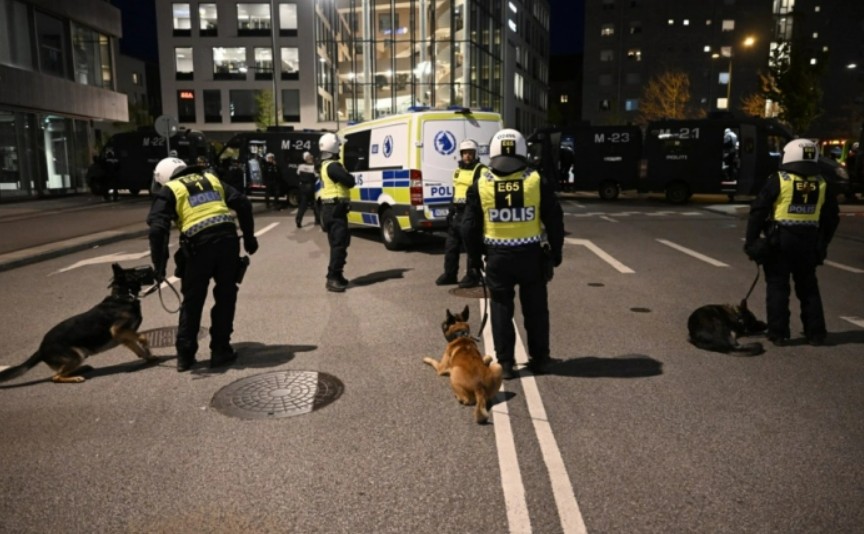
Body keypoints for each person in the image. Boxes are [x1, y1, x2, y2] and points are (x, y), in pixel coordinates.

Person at [462, 128, 565, 379]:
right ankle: (540, 359)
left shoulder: (481, 183)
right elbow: (554, 219)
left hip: (497, 257)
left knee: (500, 309)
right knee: (536, 310)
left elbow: (469, 227)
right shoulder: (536, 180)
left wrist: (474, 260)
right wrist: (556, 251)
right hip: (531, 256)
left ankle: (506, 363)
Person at [147, 157, 258, 372]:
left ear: (163, 178)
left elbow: (157, 228)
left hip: (198, 247)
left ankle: (185, 356)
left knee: (193, 301)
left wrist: (159, 266)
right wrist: (249, 238)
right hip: (228, 241)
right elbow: (243, 203)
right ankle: (221, 350)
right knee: (226, 296)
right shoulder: (211, 179)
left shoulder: (170, 188)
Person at [745, 138, 840, 346]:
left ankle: (778, 333)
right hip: (808, 242)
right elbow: (832, 217)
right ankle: (816, 333)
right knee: (808, 288)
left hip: (780, 242)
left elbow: (758, 211)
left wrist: (751, 242)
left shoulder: (779, 180)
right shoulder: (822, 183)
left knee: (778, 287)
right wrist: (823, 243)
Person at [435, 139, 486, 288]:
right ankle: (450, 274)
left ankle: (472, 275)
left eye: (470, 153)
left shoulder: (481, 170)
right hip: (457, 213)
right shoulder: (457, 170)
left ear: (475, 154)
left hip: (471, 213)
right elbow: (455, 191)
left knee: (471, 247)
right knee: (450, 246)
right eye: (464, 153)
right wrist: (451, 210)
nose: (467, 156)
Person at [318, 132, 356, 293]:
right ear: (333, 147)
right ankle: (333, 278)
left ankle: (337, 275)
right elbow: (350, 181)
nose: (340, 149)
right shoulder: (333, 166)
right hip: (335, 210)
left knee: (338, 244)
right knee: (339, 245)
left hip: (330, 210)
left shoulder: (325, 165)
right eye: (338, 146)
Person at [296, 151, 321, 228]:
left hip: (303, 187)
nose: (311, 156)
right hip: (311, 187)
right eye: (310, 155)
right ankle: (317, 220)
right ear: (307, 158)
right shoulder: (313, 166)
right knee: (315, 204)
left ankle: (298, 220)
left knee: (303, 205)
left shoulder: (300, 166)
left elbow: (298, 174)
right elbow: (317, 176)